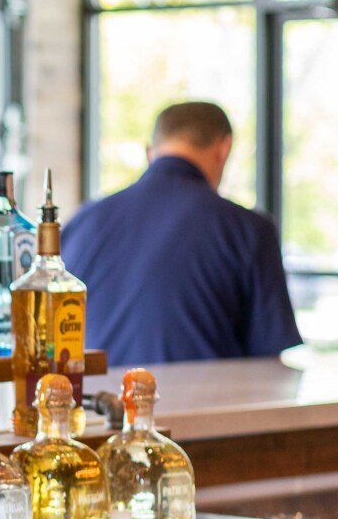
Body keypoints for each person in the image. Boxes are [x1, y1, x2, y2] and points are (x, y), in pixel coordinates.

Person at [65, 101, 303, 365]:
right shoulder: (248, 230)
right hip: (209, 403)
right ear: (223, 149)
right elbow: (268, 364)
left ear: (150, 152)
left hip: (98, 403)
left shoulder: (83, 222)